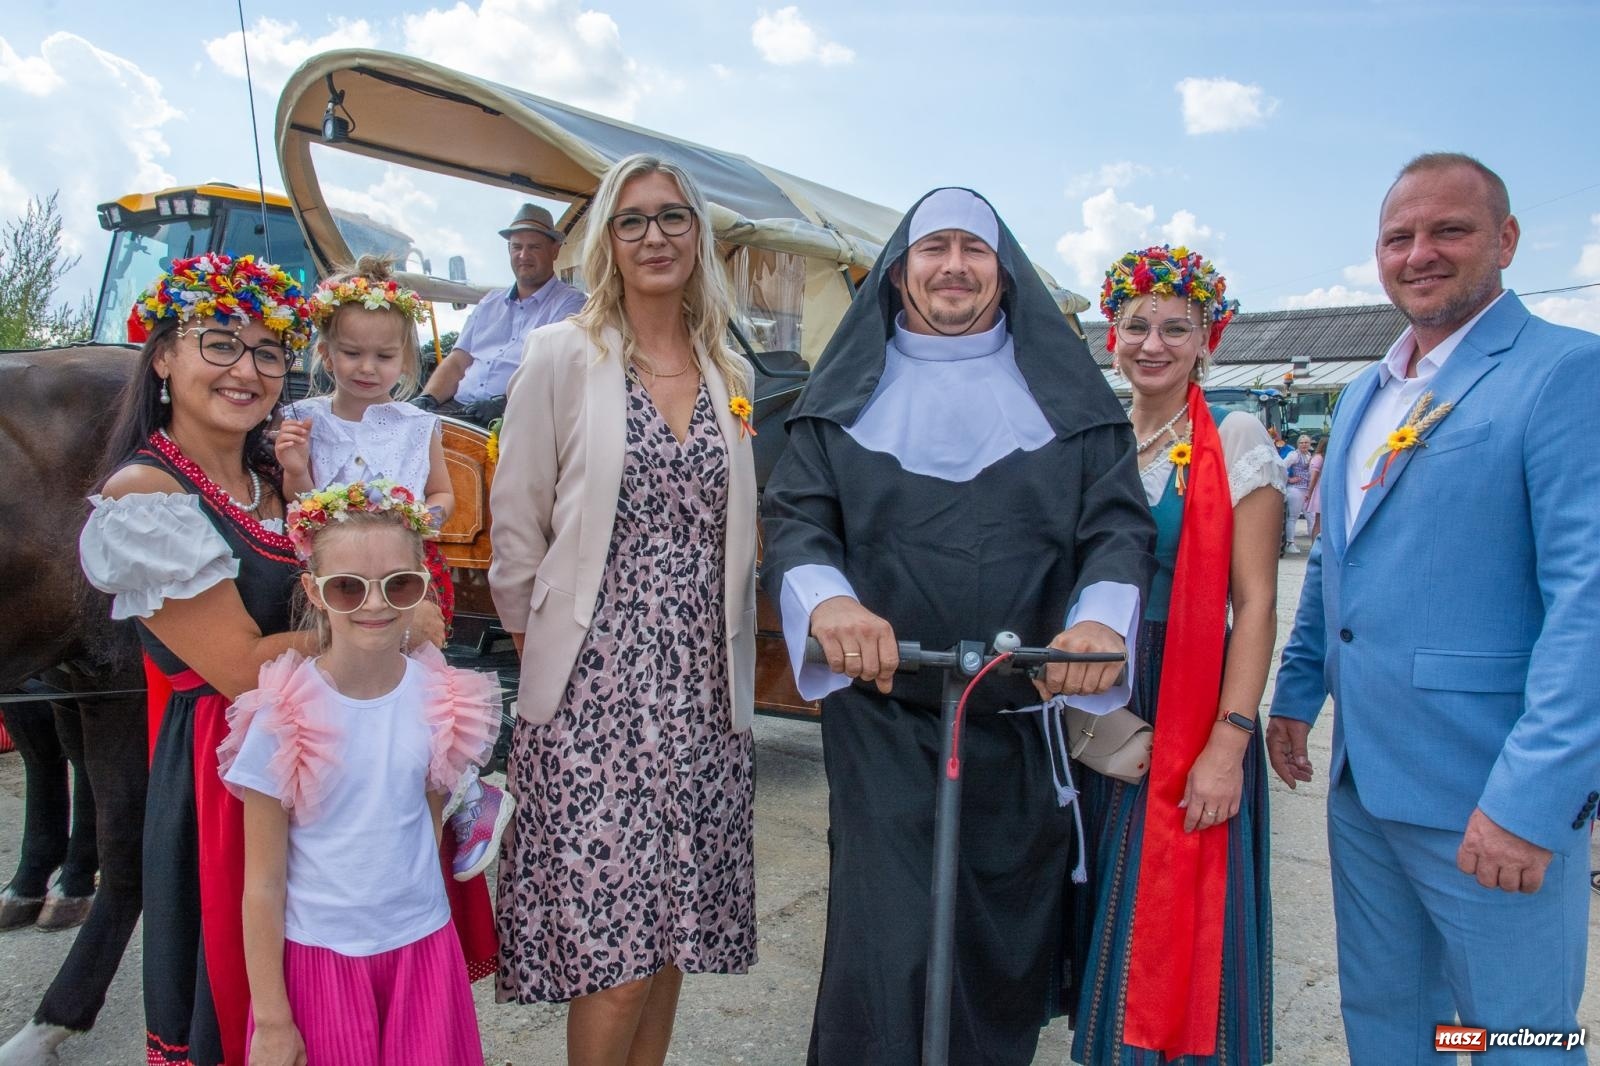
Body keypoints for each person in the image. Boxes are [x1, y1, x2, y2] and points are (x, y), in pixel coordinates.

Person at [760, 187, 1155, 1066]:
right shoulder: (838, 401)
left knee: (998, 944)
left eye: (973, 249)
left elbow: (1116, 529)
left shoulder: (1073, 406)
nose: (953, 265)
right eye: (932, 247)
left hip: (1017, 719)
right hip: (889, 713)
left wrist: (1096, 627)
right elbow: (797, 519)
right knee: (888, 939)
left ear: (1001, 272)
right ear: (900, 272)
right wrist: (830, 602)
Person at [75, 253, 446, 1066]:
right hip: (230, 774)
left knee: (350, 983)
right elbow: (242, 668)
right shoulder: (148, 497)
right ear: (164, 356)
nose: (246, 369)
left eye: (266, 352)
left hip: (331, 751)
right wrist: (393, 610)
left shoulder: (276, 478)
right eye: (219, 344)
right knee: (257, 1007)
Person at [1269, 153, 1600, 1064]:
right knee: (1392, 1024)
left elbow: (1590, 603)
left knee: (1513, 1038)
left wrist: (1536, 800)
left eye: (1448, 230)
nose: (1420, 253)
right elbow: (1341, 562)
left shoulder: (1568, 373)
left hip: (1488, 796)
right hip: (1364, 786)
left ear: (1506, 239)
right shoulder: (1365, 394)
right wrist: (1297, 693)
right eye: (1398, 236)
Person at [489, 154, 758, 1066]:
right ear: (607, 237)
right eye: (633, 220)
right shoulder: (562, 353)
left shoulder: (730, 366)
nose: (655, 236)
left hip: (701, 695)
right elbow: (516, 524)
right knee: (615, 955)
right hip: (591, 697)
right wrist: (549, 654)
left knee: (673, 935)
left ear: (699, 236)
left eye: (673, 217)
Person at [1073, 246, 1281, 1065]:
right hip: (1098, 697)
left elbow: (1257, 601)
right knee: (1105, 908)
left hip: (1190, 700)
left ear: (1207, 340)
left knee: (1172, 919)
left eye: (1175, 328)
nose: (1152, 343)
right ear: (1111, 337)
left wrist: (1229, 742)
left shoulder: (1236, 436)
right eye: (1135, 326)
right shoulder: (1095, 438)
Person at [222, 485, 496, 1066]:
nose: (374, 605)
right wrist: (271, 1019)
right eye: (348, 587)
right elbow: (262, 884)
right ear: (314, 592)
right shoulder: (282, 717)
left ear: (422, 585)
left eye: (398, 584)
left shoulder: (441, 698)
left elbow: (423, 827)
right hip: (320, 958)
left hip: (421, 947)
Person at [276, 257, 513, 883]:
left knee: (420, 673)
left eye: (384, 358)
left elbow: (443, 497)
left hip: (404, 565)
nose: (367, 368)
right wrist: (298, 468)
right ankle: (358, 798)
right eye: (352, 353)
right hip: (333, 571)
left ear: (406, 361)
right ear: (326, 351)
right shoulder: (306, 419)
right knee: (346, 679)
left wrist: (418, 516)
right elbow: (295, 501)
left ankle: (465, 790)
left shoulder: (417, 424)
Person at [413, 203, 586, 424]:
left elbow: (555, 374)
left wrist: (504, 404)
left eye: (534, 247)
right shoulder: (489, 302)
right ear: (508, 250)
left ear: (555, 250)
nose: (523, 255)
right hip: (458, 409)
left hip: (516, 419)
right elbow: (457, 362)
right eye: (516, 247)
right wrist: (427, 399)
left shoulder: (570, 303)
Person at [1282, 433, 1313, 553]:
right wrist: (1289, 479)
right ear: (1298, 444)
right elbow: (1282, 466)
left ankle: (1314, 542)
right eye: (1301, 442)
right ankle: (1290, 543)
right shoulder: (1294, 455)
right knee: (1293, 516)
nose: (1304, 444)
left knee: (1311, 517)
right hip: (1296, 489)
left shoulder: (1309, 456)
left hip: (1307, 489)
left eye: (1306, 442)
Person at [1302, 436, 1327, 541]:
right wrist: (1309, 492)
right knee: (1318, 521)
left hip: (1319, 490)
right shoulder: (1319, 458)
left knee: (1319, 520)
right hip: (1319, 491)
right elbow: (1314, 477)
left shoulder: (1317, 457)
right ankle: (1314, 545)